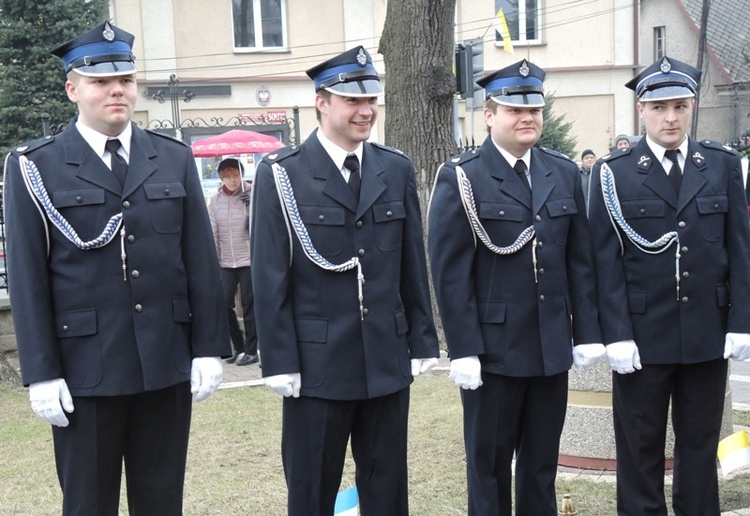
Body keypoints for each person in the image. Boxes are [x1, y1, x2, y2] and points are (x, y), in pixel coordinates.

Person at [3, 22, 230, 515]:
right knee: (88, 503)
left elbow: (199, 260)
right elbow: (27, 278)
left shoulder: (171, 157)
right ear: (72, 89)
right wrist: (41, 372)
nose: (116, 91)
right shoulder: (35, 166)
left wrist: (209, 347)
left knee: (162, 499)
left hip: (164, 364)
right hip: (87, 369)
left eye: (125, 80)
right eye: (100, 81)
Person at [251, 46, 440, 516]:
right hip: (317, 365)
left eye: (371, 99)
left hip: (384, 356)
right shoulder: (283, 173)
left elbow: (412, 264)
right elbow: (269, 274)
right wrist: (278, 359)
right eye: (352, 101)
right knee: (313, 487)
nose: (366, 110)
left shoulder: (392, 167)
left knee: (387, 487)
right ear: (322, 102)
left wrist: (421, 338)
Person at [427, 59, 604, 516]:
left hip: (549, 347)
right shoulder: (463, 176)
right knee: (488, 465)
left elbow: (579, 263)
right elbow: (451, 273)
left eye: (534, 110)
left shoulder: (562, 171)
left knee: (541, 464)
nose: (527, 118)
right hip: (494, 351)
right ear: (489, 115)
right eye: (513, 110)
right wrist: (463, 347)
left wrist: (585, 333)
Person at [588, 56, 750, 515]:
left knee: (700, 450)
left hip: (706, 332)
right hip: (642, 337)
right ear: (641, 109)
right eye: (659, 107)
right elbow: (605, 261)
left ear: (692, 107)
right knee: (639, 450)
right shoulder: (614, 172)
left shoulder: (719, 165)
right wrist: (615, 332)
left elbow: (740, 249)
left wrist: (741, 321)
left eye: (680, 106)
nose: (671, 117)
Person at [209, 157, 259, 366]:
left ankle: (251, 350)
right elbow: (213, 231)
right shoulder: (216, 200)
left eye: (235, 175)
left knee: (249, 305)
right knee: (222, 303)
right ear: (222, 178)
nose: (232, 180)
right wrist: (213, 259)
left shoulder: (253, 194)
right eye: (227, 176)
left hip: (248, 258)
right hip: (225, 262)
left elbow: (263, 223)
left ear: (241, 175)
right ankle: (236, 345)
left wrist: (253, 208)